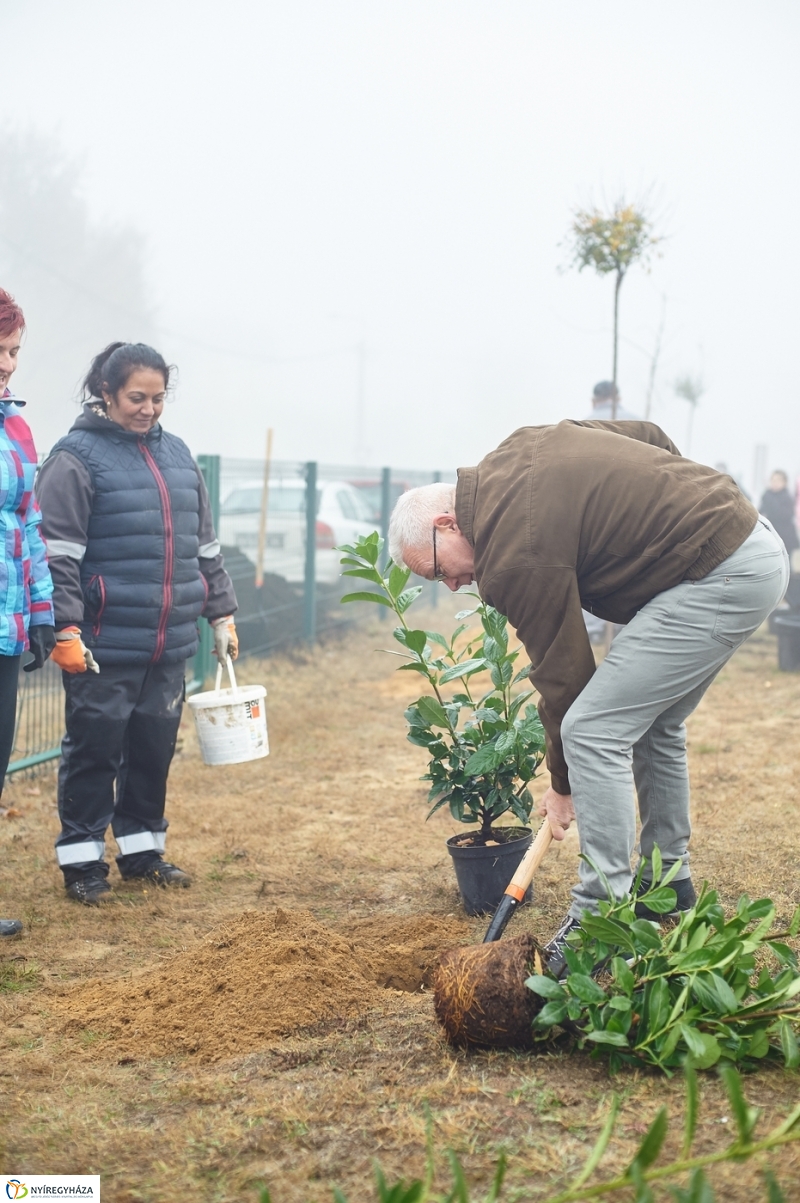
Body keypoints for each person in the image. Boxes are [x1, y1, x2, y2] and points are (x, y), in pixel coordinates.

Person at [388, 419, 789, 976]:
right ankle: (667, 885)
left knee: (592, 730)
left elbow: (565, 674)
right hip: (748, 542)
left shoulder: (510, 555)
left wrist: (563, 785)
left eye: (438, 572)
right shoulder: (518, 450)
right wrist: (680, 498)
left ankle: (601, 920)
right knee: (655, 724)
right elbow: (646, 437)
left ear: (447, 522)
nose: (453, 585)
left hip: (721, 573)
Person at [36, 342, 238, 906]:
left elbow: (206, 546)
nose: (148, 409)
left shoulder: (177, 455)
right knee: (95, 749)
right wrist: (66, 628)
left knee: (153, 748)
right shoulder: (74, 459)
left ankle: (143, 852)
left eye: (157, 398)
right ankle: (82, 863)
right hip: (102, 642)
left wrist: (220, 611)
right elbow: (57, 555)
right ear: (106, 393)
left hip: (168, 642)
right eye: (136, 398)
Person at [0, 289, 56, 936]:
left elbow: (30, 523)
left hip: (9, 627)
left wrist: (41, 611)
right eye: (5, 348)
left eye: (15, 351)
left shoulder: (15, 424)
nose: (11, 364)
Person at [759, 471, 799, 558]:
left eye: (778, 480)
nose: (775, 483)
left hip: (785, 535)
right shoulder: (767, 494)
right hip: (770, 534)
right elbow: (761, 511)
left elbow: (787, 515)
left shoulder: (787, 497)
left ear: (784, 482)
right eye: (773, 480)